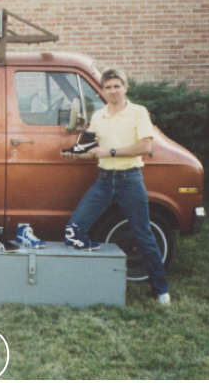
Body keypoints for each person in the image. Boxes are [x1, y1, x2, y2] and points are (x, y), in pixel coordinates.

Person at [61, 68, 170, 305]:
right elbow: (92, 151)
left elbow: (145, 147)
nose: (113, 91)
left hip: (130, 180)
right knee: (74, 229)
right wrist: (74, 156)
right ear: (102, 90)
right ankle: (85, 283)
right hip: (104, 180)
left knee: (143, 235)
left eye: (117, 86)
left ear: (125, 88)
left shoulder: (138, 112)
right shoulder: (98, 116)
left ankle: (161, 291)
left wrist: (110, 152)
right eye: (108, 87)